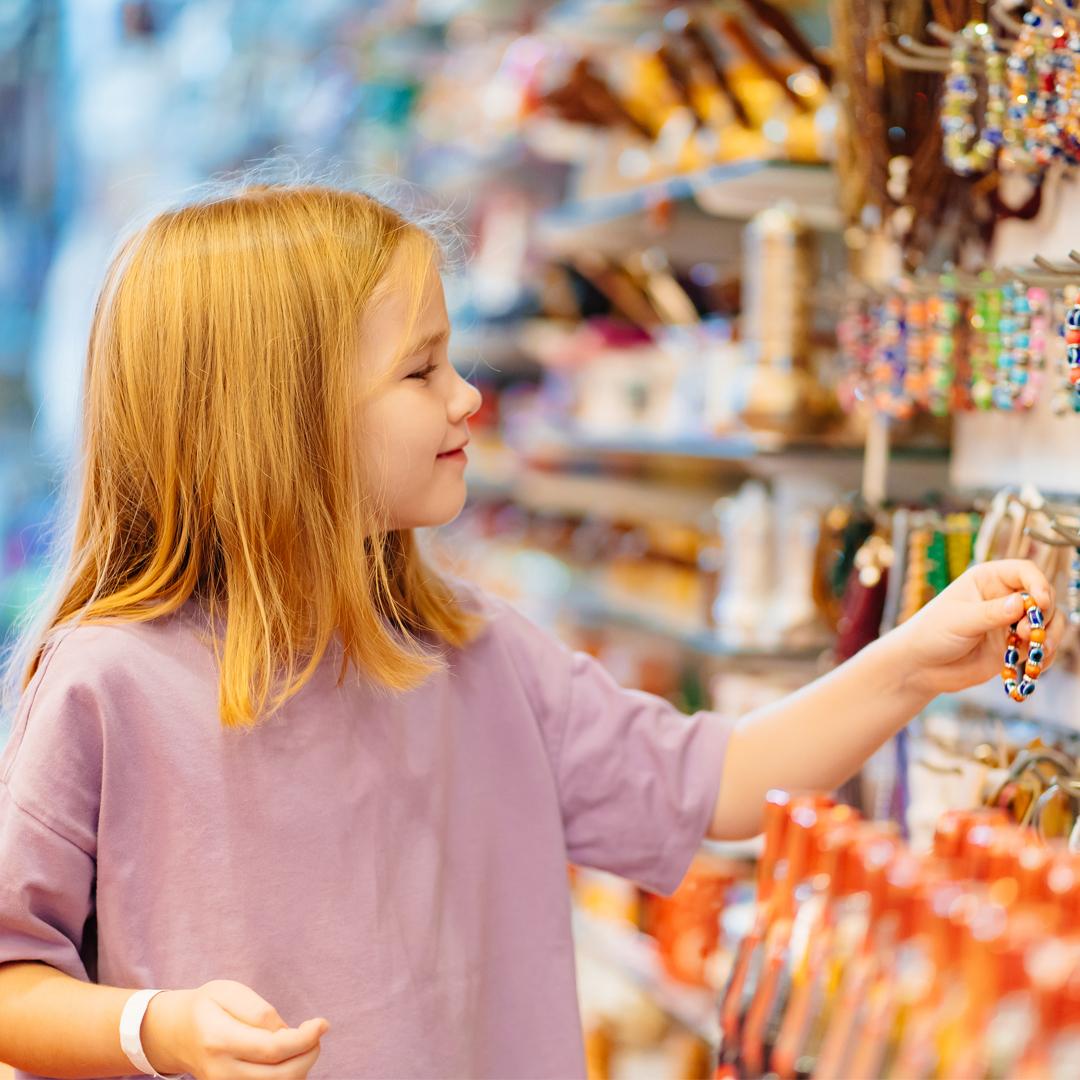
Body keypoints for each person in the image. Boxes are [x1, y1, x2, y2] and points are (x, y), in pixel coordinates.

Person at [0, 183, 1063, 1080]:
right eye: (420, 372)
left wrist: (911, 662)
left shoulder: (473, 650)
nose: (467, 397)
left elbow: (721, 784)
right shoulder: (109, 685)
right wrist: (156, 1030)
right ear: (278, 424)